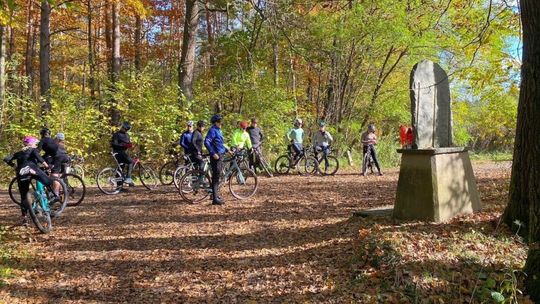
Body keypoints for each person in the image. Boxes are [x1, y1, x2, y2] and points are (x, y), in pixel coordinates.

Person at [3, 136, 54, 226]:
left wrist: (14, 166)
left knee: (23, 196)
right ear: (31, 144)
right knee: (48, 181)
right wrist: (47, 166)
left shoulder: (18, 153)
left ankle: (25, 218)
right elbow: (39, 158)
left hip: (21, 173)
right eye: (35, 143)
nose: (36, 145)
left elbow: (6, 159)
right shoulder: (33, 150)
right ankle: (51, 196)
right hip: (32, 169)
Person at [204, 114, 227, 205]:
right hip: (216, 156)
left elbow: (219, 144)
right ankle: (215, 199)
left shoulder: (218, 130)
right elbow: (207, 142)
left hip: (221, 154)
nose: (221, 123)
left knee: (217, 177)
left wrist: (228, 150)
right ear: (216, 122)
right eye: (220, 122)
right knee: (215, 177)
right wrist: (213, 153)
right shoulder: (212, 130)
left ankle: (216, 195)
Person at [111, 121, 135, 185]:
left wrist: (130, 145)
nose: (125, 130)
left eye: (127, 129)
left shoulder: (127, 135)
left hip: (123, 152)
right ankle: (128, 178)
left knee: (121, 168)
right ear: (122, 127)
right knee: (131, 162)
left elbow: (128, 143)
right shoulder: (116, 134)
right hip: (118, 152)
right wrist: (124, 145)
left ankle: (119, 187)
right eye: (124, 128)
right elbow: (114, 144)